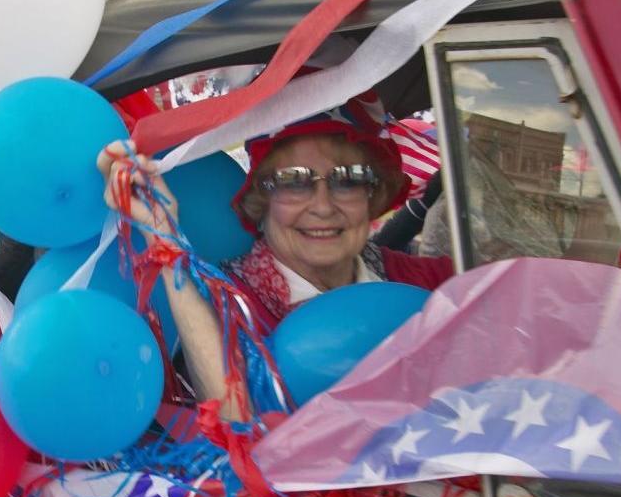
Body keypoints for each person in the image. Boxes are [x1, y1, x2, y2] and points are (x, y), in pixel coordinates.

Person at [99, 98, 453, 407]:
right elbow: (232, 422)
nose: (323, 206)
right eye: (293, 181)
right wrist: (162, 232)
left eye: (347, 179)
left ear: (372, 195)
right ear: (261, 201)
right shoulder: (220, 301)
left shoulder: (429, 283)